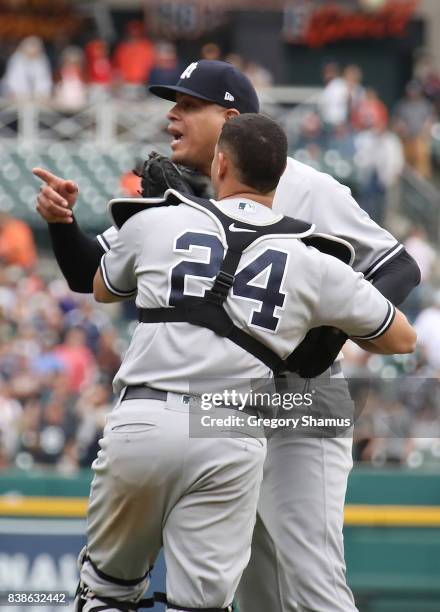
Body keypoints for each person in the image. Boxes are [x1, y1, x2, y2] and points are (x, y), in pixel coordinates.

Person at [33, 60, 420, 612]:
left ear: (230, 120)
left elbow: (399, 266)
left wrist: (322, 341)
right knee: (254, 585)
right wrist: (63, 222)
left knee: (307, 570)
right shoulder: (183, 194)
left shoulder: (304, 186)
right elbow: (91, 276)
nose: (173, 115)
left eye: (189, 105)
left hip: (301, 397)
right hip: (222, 404)